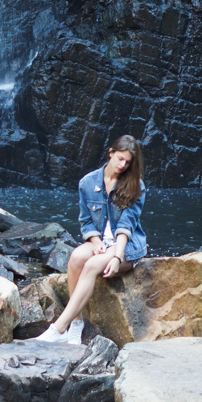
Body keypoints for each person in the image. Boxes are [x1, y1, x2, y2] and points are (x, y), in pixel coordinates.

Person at [38, 134, 147, 343]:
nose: (123, 165)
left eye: (128, 162)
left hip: (127, 247)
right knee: (77, 257)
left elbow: (126, 225)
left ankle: (58, 328)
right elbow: (86, 221)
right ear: (111, 153)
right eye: (120, 159)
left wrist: (116, 256)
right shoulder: (87, 183)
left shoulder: (136, 185)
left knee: (91, 265)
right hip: (101, 243)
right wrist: (96, 242)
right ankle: (76, 324)